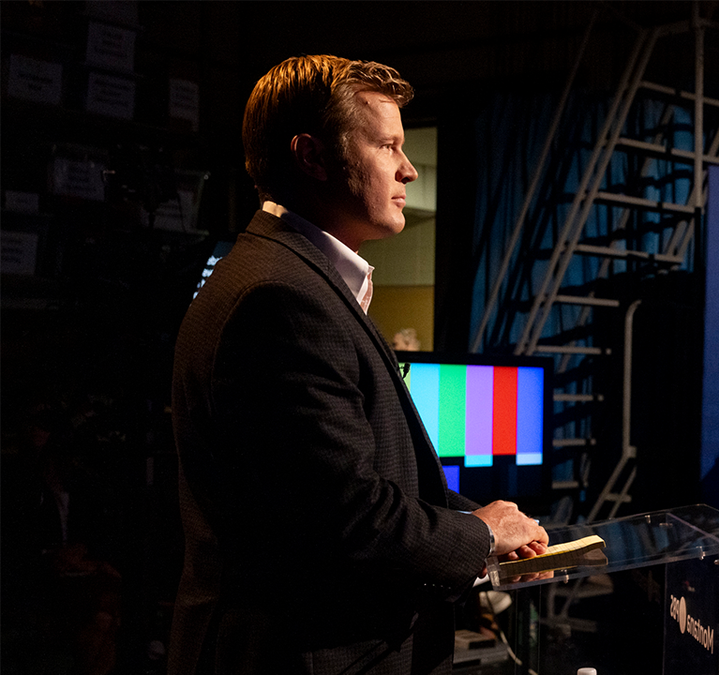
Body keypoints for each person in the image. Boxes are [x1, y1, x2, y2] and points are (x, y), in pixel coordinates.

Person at [169, 55, 548, 675]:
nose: (409, 167)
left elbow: (348, 481)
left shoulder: (298, 281)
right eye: (388, 145)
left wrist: (479, 521)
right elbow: (349, 519)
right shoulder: (280, 299)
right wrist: (478, 536)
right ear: (312, 157)